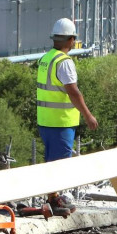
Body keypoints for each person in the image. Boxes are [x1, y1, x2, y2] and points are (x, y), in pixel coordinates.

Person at [37, 18, 98, 162]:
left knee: (51, 166)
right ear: (71, 39)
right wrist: (88, 116)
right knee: (60, 168)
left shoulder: (46, 59)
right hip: (61, 124)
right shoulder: (64, 62)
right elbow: (73, 93)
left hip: (45, 122)